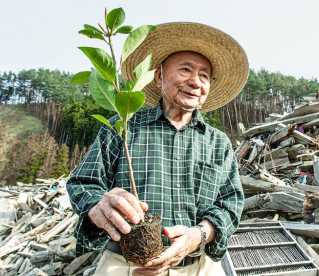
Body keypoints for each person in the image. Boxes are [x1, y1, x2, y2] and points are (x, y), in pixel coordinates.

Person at [67, 22, 249, 276]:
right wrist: (99, 205)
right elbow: (82, 183)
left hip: (199, 267)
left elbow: (230, 204)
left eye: (204, 75)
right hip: (126, 265)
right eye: (185, 69)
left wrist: (198, 235)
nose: (196, 82)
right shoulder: (122, 126)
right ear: (159, 76)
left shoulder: (218, 142)